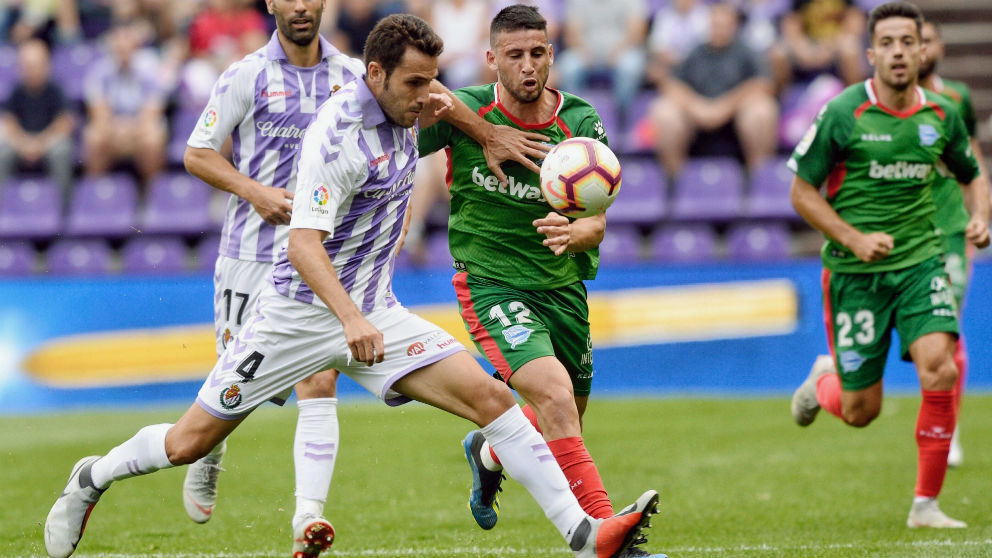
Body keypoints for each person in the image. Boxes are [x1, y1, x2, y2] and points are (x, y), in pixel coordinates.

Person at [43, 14, 659, 558]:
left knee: (493, 403)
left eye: (432, 80)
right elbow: (302, 245)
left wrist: (488, 132)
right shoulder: (339, 138)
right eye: (416, 85)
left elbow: (447, 100)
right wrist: (349, 320)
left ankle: (584, 535)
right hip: (301, 315)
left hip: (376, 312)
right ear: (375, 76)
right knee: (187, 443)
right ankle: (92, 477)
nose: (430, 98)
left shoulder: (413, 101)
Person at [182, 0, 568, 556]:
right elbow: (197, 154)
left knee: (320, 378)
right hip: (252, 252)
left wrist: (483, 132)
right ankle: (206, 454)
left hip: (330, 258)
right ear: (271, 5)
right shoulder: (245, 76)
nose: (300, 6)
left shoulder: (356, 72)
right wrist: (256, 191)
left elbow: (433, 98)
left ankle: (306, 519)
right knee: (218, 409)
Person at [417, 5, 666, 558]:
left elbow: (598, 215)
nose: (528, 66)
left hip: (562, 285)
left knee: (567, 413)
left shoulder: (580, 122)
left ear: (552, 55)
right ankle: (605, 536)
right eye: (514, 55)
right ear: (491, 60)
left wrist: (579, 233)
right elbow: (398, 123)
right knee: (553, 396)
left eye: (537, 54)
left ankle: (490, 451)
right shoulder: (463, 113)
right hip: (491, 282)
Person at [787, 1, 990, 529]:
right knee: (861, 412)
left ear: (923, 50)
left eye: (909, 42)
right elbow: (802, 193)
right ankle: (822, 381)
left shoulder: (942, 114)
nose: (900, 52)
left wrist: (981, 216)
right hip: (856, 275)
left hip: (922, 262)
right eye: (889, 43)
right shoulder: (843, 113)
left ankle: (926, 504)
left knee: (941, 366)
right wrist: (853, 239)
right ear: (872, 52)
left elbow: (972, 173)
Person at [648, 1, 778, 177]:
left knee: (762, 111)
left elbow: (764, 84)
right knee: (665, 112)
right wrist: (697, 106)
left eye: (725, 25)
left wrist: (725, 106)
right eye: (715, 24)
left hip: (737, 114)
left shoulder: (746, 50)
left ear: (734, 25)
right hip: (697, 115)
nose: (719, 29)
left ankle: (760, 180)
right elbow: (672, 84)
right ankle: (675, 182)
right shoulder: (696, 51)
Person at [81, 19, 167, 184]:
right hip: (111, 130)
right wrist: (116, 130)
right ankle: (97, 193)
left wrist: (130, 130)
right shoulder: (99, 71)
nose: (123, 49)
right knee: (94, 137)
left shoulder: (150, 69)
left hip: (139, 129)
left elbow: (152, 112)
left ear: (135, 46)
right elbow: (99, 112)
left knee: (153, 138)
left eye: (127, 44)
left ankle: (152, 196)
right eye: (119, 46)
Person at [0, 39, 74, 199]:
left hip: (48, 141)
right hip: (23, 142)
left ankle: (61, 207)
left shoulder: (56, 89)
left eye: (35, 65)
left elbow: (64, 123)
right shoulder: (16, 91)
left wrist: (39, 143)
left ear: (46, 65)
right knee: (2, 151)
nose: (30, 70)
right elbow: (9, 122)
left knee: (61, 150)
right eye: (26, 66)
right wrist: (23, 143)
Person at [555, 0, 648, 116]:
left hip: (623, 51)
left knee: (629, 67)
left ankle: (622, 114)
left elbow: (637, 31)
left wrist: (619, 51)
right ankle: (574, 115)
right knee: (568, 67)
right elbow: (572, 32)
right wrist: (584, 51)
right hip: (585, 52)